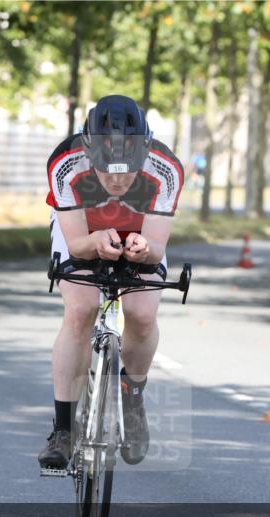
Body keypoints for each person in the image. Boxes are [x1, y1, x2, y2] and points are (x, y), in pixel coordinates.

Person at [39, 95, 184, 470]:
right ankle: (63, 430)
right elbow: (75, 244)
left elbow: (156, 246)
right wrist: (96, 242)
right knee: (81, 309)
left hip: (139, 231)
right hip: (84, 229)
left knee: (142, 313)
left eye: (128, 171)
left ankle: (132, 395)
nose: (118, 180)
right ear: (90, 155)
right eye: (108, 172)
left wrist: (144, 248)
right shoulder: (65, 163)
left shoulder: (166, 168)